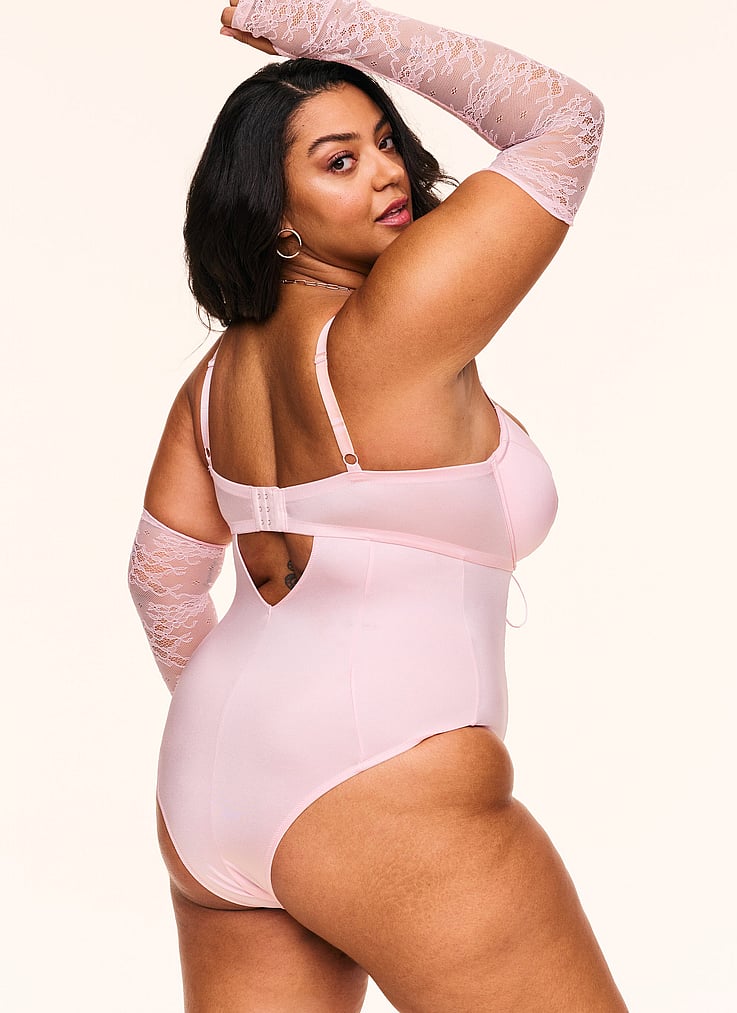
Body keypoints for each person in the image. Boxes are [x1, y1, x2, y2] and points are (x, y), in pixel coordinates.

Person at [128, 0, 627, 1009]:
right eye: (339, 161)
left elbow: (162, 581)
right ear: (275, 213)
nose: (389, 171)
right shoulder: (390, 327)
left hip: (206, 790)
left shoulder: (212, 382)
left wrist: (263, 736)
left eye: (385, 141)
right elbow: (563, 121)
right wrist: (313, 23)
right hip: (379, 781)